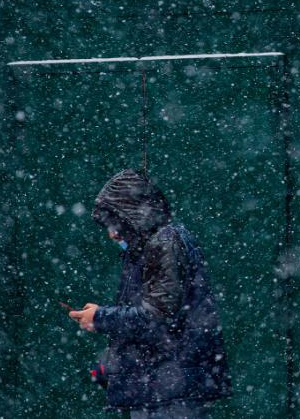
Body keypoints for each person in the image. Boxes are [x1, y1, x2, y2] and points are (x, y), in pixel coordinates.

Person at [68, 169, 231, 419]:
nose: (112, 234)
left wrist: (101, 318)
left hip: (169, 392)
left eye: (115, 223)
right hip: (163, 388)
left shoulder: (165, 242)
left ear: (132, 215)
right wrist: (114, 369)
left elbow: (158, 316)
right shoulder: (151, 244)